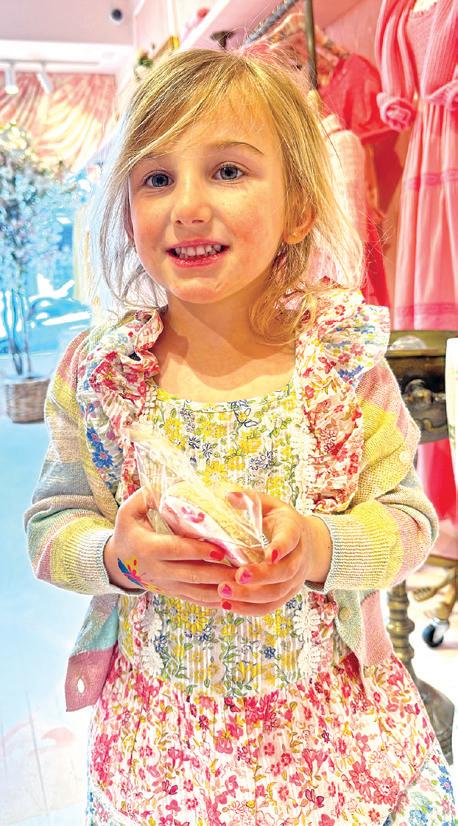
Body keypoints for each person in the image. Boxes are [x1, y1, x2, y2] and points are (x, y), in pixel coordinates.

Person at [25, 49, 456, 826]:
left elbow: (410, 524)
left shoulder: (342, 370)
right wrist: (119, 557)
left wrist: (319, 547)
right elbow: (51, 529)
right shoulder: (102, 376)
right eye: (157, 177)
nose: (188, 205)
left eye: (227, 170)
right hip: (164, 750)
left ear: (298, 207)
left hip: (327, 744)